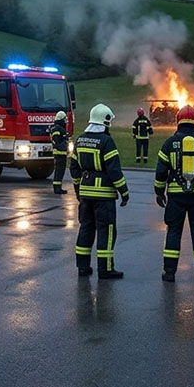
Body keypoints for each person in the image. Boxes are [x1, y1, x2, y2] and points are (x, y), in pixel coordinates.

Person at [154, 105, 194, 283]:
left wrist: (159, 192)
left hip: (176, 196)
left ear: (178, 121)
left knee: (174, 232)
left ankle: (169, 272)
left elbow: (161, 171)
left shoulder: (169, 143)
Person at [69, 103, 129, 279]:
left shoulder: (80, 140)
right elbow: (114, 171)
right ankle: (106, 269)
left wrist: (78, 189)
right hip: (104, 197)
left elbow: (73, 167)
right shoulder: (106, 142)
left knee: (86, 229)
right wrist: (124, 191)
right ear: (106, 121)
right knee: (106, 230)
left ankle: (82, 267)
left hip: (86, 195)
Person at [50, 111, 70, 195]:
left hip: (62, 153)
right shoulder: (56, 129)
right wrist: (64, 144)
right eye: (64, 119)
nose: (65, 121)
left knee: (61, 171)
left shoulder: (60, 128)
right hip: (59, 153)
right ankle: (57, 188)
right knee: (59, 171)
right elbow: (56, 141)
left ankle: (59, 187)